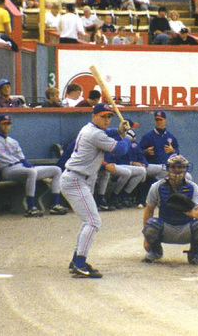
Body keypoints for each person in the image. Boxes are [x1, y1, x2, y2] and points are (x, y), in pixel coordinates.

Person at [62, 103, 131, 278]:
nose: (107, 119)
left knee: (88, 222)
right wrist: (128, 136)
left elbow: (108, 133)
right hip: (76, 180)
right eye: (103, 116)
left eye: (109, 117)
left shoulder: (90, 129)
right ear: (94, 116)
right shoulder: (93, 133)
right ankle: (79, 263)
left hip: (79, 179)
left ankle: (76, 260)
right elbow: (121, 149)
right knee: (93, 222)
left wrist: (119, 131)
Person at [0, 115, 67, 217]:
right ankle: (30, 207)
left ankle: (55, 205)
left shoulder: (13, 141)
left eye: (8, 124)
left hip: (21, 168)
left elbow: (23, 159)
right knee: (31, 172)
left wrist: (30, 166)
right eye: (4, 124)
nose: (6, 126)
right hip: (8, 170)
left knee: (56, 170)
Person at [142, 154, 198, 265]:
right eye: (173, 167)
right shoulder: (157, 187)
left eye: (181, 167)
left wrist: (192, 213)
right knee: (151, 225)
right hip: (165, 226)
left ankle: (195, 255)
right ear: (168, 168)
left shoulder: (193, 187)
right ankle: (155, 252)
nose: (177, 170)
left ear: (186, 169)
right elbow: (149, 210)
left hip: (185, 227)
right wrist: (146, 238)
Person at [96, 120, 147, 209]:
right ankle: (113, 197)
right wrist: (127, 138)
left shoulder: (132, 142)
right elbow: (120, 153)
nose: (133, 130)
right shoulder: (115, 138)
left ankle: (124, 196)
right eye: (130, 128)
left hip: (118, 165)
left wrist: (143, 163)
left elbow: (140, 155)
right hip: (109, 164)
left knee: (142, 171)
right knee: (126, 172)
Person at [140, 110, 179, 180]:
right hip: (152, 166)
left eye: (160, 120)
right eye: (157, 120)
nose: (159, 122)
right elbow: (138, 153)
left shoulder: (171, 137)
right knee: (163, 170)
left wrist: (173, 151)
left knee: (187, 176)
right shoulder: (147, 136)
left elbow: (178, 153)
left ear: (165, 121)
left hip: (168, 166)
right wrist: (146, 152)